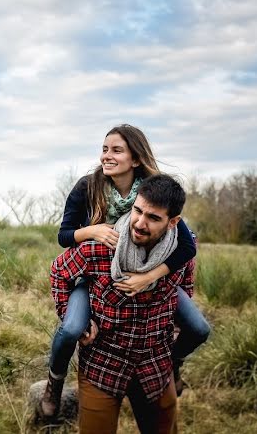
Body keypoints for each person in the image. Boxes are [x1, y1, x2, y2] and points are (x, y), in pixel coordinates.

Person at [39, 125, 210, 420]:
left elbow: (187, 246)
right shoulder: (87, 186)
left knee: (198, 327)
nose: (107, 156)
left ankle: (175, 363)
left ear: (135, 158)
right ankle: (54, 382)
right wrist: (93, 230)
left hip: (150, 271)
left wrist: (150, 276)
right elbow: (64, 236)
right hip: (93, 273)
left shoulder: (151, 191)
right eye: (104, 149)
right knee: (70, 329)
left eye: (116, 150)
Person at [52, 174, 190, 433]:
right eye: (138, 210)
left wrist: (176, 324)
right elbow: (59, 272)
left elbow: (186, 284)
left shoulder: (180, 254)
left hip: (156, 365)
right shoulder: (99, 248)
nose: (140, 222)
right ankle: (52, 386)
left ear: (173, 222)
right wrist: (75, 320)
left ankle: (177, 368)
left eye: (153, 218)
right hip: (103, 365)